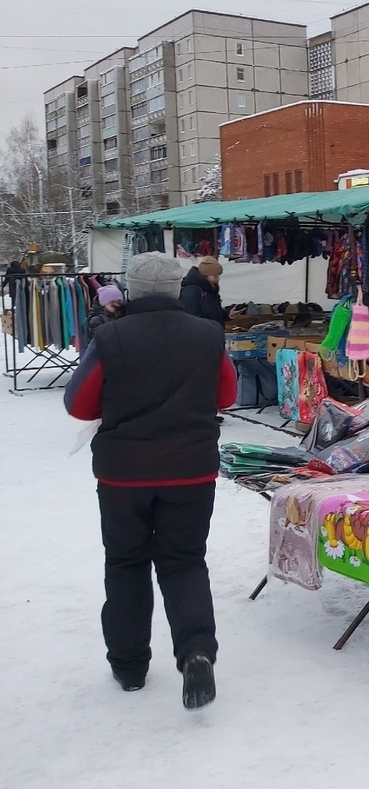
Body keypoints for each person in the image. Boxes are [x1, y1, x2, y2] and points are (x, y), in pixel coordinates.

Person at [65, 252, 237, 710]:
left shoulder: (111, 337)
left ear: (131, 290)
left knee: (126, 564)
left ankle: (129, 665)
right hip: (192, 470)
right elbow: (228, 394)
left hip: (124, 475)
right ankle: (196, 649)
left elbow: (79, 405)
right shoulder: (208, 334)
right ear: (176, 288)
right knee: (184, 561)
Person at [180, 256, 238, 324]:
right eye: (215, 276)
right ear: (205, 275)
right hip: (202, 333)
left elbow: (215, 311)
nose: (218, 279)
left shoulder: (210, 289)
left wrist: (228, 315)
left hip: (213, 332)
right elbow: (191, 318)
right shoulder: (191, 291)